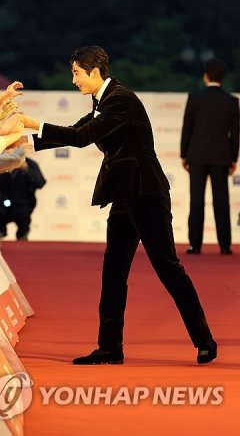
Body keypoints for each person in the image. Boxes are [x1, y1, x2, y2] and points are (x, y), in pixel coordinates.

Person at [19, 46, 217, 365]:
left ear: (94, 72)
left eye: (76, 73)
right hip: (124, 194)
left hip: (146, 193)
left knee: (167, 268)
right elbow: (73, 132)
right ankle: (110, 348)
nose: (74, 80)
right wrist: (25, 141)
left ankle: (204, 339)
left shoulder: (120, 100)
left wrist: (32, 123)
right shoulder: (103, 100)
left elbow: (83, 137)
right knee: (113, 270)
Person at [180, 58, 239, 255]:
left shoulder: (195, 98)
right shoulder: (231, 101)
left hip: (196, 155)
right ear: (223, 77)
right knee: (221, 201)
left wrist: (184, 154)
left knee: (196, 200)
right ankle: (225, 246)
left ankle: (194, 245)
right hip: (221, 157)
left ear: (206, 76)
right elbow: (235, 133)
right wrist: (233, 159)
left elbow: (187, 128)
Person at [0, 158, 45, 240]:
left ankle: (22, 240)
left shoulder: (30, 164)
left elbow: (40, 183)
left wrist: (26, 170)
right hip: (2, 205)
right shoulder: (2, 163)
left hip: (23, 206)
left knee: (23, 220)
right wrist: (3, 169)